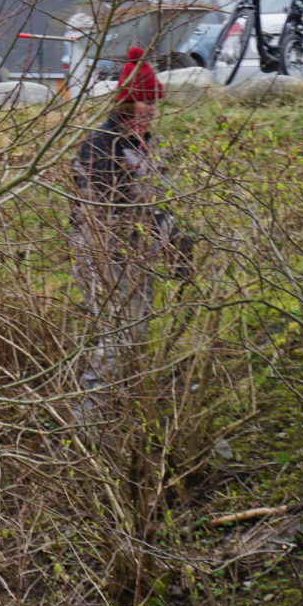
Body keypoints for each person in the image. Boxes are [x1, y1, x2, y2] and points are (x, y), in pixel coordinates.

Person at [71, 48, 172, 394]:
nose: (152, 109)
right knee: (117, 335)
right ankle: (88, 414)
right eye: (145, 101)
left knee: (135, 332)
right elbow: (108, 207)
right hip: (105, 253)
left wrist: (174, 240)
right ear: (127, 103)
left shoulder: (147, 143)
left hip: (140, 253)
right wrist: (155, 231)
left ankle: (122, 407)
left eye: (154, 102)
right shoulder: (101, 144)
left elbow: (160, 198)